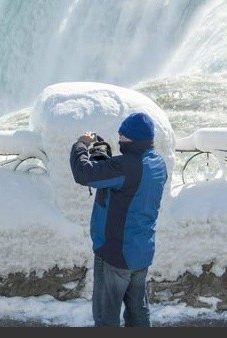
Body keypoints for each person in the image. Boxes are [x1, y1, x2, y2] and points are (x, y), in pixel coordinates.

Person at [69, 112, 168, 327]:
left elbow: (84, 174)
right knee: (138, 313)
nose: (120, 139)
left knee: (106, 318)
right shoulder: (158, 164)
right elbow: (123, 185)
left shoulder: (126, 167)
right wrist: (105, 156)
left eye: (123, 136)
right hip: (141, 252)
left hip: (115, 254)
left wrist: (81, 145)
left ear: (134, 140)